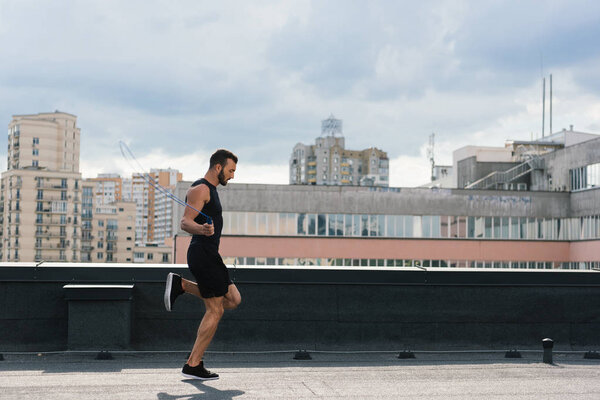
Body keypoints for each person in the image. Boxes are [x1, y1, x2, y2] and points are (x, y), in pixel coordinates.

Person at [163, 149, 241, 380]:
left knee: (233, 300)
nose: (233, 175)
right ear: (218, 167)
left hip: (210, 255)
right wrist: (202, 229)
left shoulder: (212, 190)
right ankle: (193, 364)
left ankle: (183, 285)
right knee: (215, 309)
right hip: (202, 254)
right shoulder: (201, 189)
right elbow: (185, 222)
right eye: (231, 170)